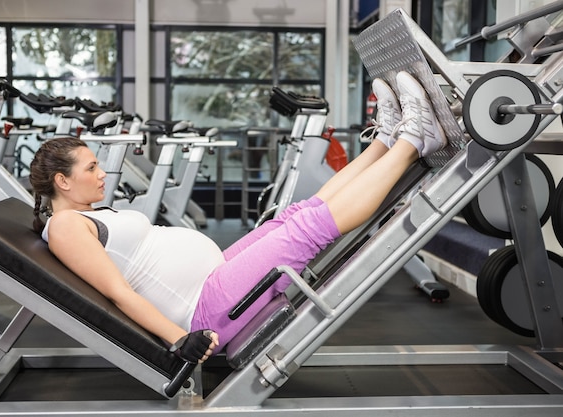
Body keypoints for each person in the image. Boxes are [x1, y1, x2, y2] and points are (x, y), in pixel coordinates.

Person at [28, 71, 447, 364]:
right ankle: (413, 140)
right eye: (90, 169)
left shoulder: (84, 214)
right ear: (62, 182)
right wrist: (179, 340)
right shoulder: (65, 227)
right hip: (203, 311)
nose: (102, 174)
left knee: (295, 215)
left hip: (214, 279)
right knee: (307, 229)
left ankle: (387, 139)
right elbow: (119, 292)